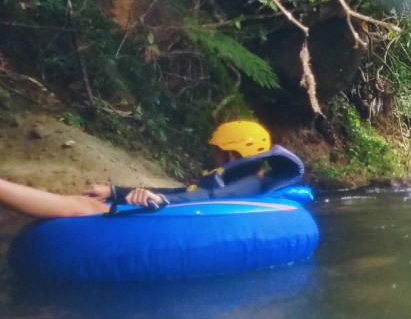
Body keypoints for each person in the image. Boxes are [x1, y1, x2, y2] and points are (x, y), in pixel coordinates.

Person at [0, 120, 304, 218]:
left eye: (217, 151)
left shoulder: (249, 184)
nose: (213, 156)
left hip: (175, 216)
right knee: (91, 201)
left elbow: (203, 202)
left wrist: (157, 201)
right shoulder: (237, 177)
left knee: (80, 207)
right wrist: (117, 191)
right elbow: (188, 192)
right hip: (174, 210)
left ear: (234, 152)